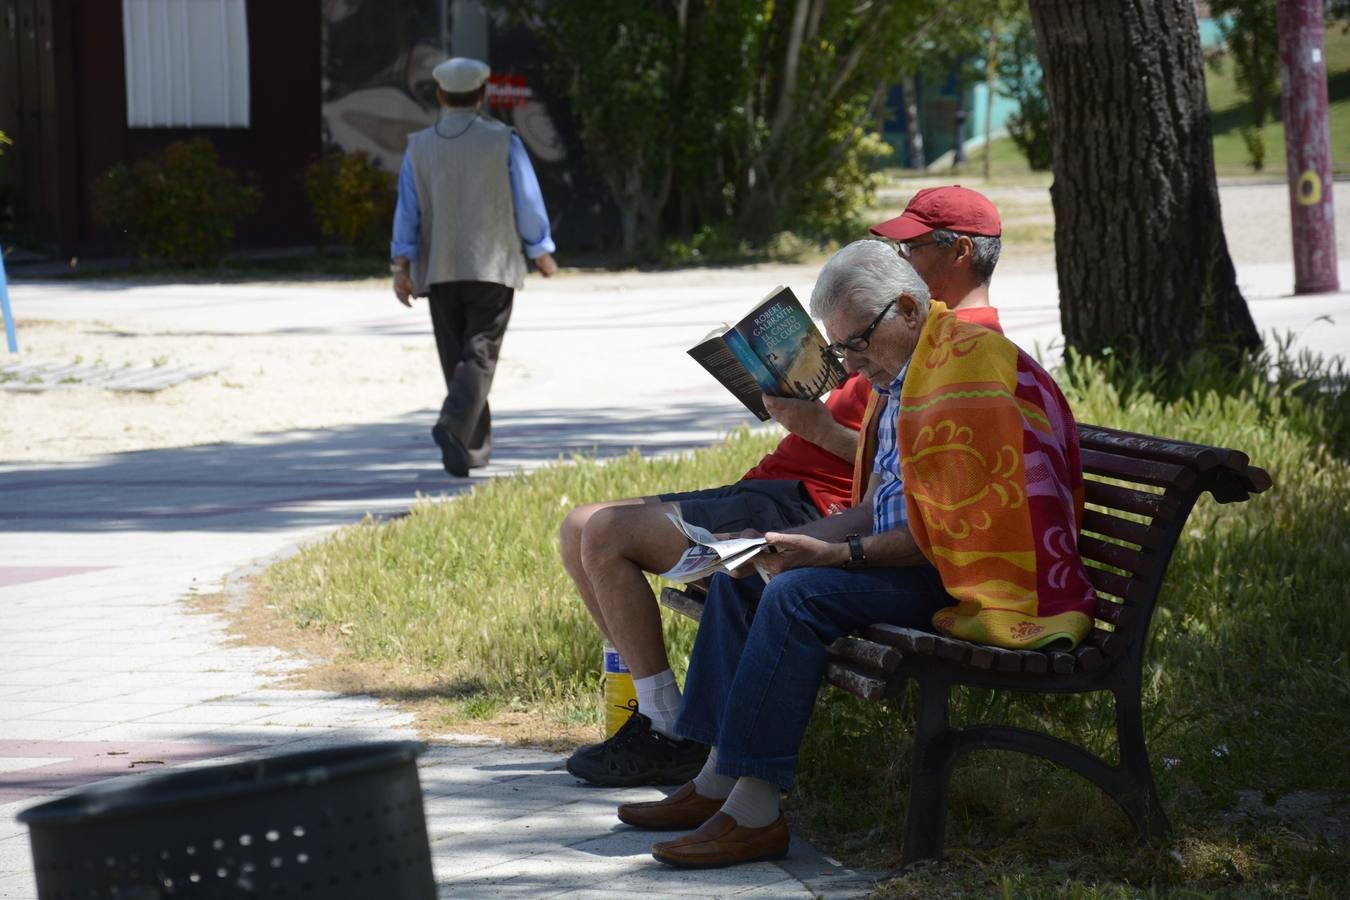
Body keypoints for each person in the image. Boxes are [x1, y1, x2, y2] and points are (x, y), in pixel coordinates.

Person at [616, 240, 1098, 869]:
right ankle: (714, 779)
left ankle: (755, 812)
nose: (849, 363)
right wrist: (784, 545)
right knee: (748, 576)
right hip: (926, 558)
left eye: (856, 344)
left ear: (905, 308)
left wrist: (836, 557)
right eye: (839, 347)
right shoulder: (912, 373)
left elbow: (950, 540)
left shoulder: (968, 379)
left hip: (978, 580)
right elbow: (881, 506)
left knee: (796, 594)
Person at [562, 185, 1011, 789]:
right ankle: (713, 772)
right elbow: (895, 474)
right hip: (815, 502)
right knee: (606, 535)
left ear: (957, 253)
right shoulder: (915, 338)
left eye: (910, 247)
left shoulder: (961, 350)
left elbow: (917, 491)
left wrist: (822, 469)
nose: (897, 259)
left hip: (835, 506)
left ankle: (698, 756)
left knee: (752, 579)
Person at [390, 57, 558, 477]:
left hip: (440, 268)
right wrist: (540, 249)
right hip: (492, 266)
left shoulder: (419, 146)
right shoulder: (503, 139)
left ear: (441, 95)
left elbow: (406, 212)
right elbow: (527, 198)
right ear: (482, 95)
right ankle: (454, 428)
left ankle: (469, 448)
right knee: (479, 356)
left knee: (457, 360)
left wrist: (400, 264)